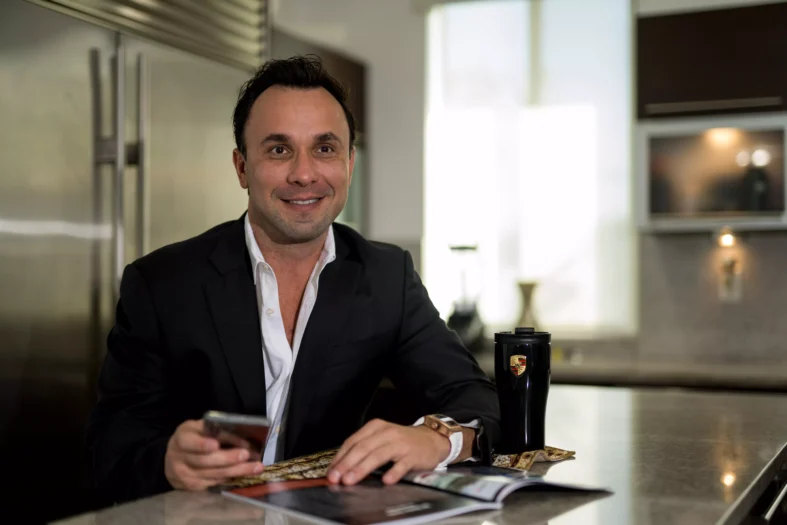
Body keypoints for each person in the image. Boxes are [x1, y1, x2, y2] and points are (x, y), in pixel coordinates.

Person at [86, 55, 500, 505]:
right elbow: (109, 447)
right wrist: (166, 459)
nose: (304, 174)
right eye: (279, 150)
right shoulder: (161, 283)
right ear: (242, 167)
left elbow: (476, 397)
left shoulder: (386, 277)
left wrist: (437, 439)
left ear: (349, 163)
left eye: (324, 149)